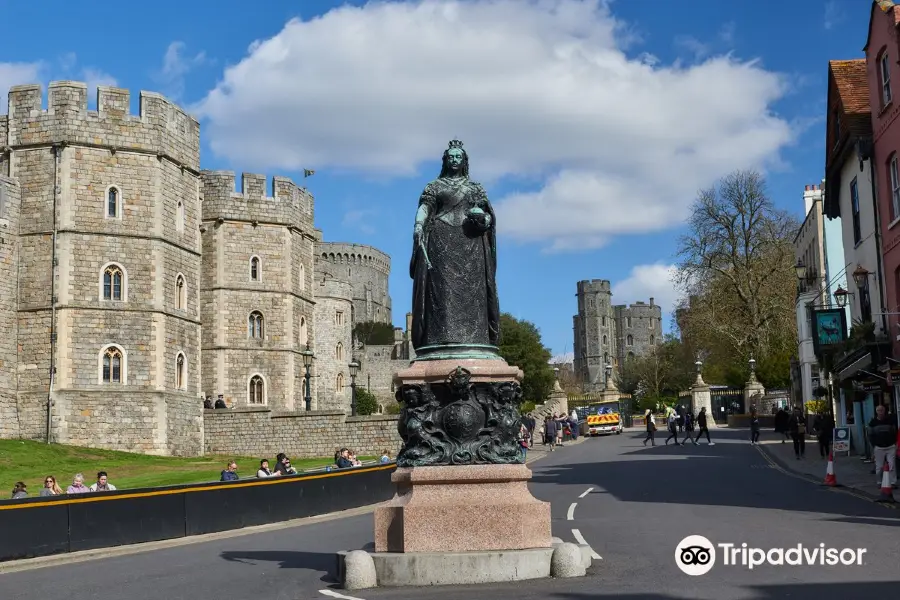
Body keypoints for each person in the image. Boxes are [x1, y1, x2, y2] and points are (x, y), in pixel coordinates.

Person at [409, 139, 499, 357]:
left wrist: (485, 221)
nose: (454, 160)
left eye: (458, 157)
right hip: (441, 242)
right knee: (442, 292)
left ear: (464, 160)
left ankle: (476, 339)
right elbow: (425, 207)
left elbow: (487, 214)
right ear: (445, 161)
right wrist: (419, 224)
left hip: (471, 243)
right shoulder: (435, 186)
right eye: (451, 157)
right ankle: (440, 337)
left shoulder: (475, 188)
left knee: (474, 292)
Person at [868, 404, 898, 486]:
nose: (880, 412)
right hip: (879, 447)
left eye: (882, 410)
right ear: (876, 412)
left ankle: (893, 482)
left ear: (885, 411)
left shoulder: (890, 421)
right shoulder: (873, 422)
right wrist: (874, 446)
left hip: (890, 446)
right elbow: (870, 435)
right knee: (879, 466)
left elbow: (894, 432)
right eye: (878, 410)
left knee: (892, 465)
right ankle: (879, 482)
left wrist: (895, 443)